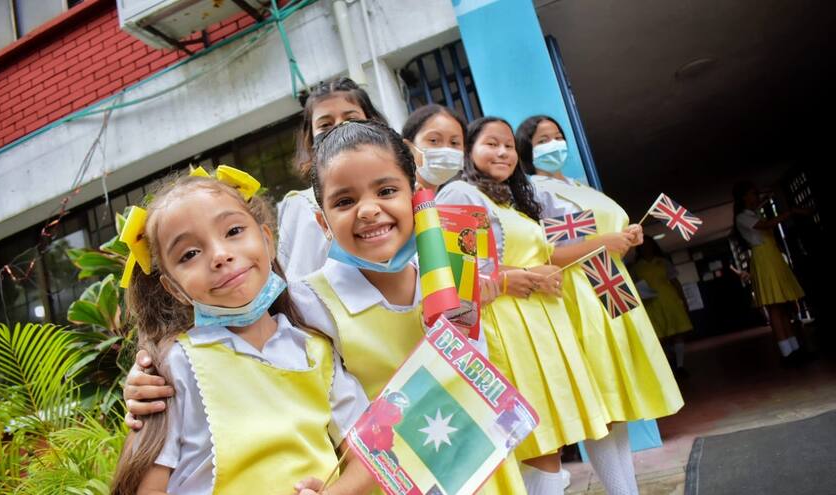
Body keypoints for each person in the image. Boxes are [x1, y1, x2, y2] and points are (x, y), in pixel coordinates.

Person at [289, 119, 528, 494]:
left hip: (479, 467)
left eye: (386, 190)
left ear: (416, 196)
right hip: (390, 480)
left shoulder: (453, 267)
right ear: (323, 222)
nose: (368, 210)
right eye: (345, 201)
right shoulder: (309, 302)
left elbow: (476, 373)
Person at [109, 168, 373, 495]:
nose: (220, 255)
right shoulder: (173, 368)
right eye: (189, 254)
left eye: (233, 230)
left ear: (267, 239)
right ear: (174, 288)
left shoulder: (316, 351)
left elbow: (369, 455)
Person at [437, 117, 611, 495]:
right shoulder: (460, 195)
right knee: (538, 446)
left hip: (541, 326)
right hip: (507, 330)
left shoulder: (513, 199)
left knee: (552, 444)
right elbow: (460, 273)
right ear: (469, 151)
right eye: (491, 144)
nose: (503, 153)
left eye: (509, 146)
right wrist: (526, 273)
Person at [517, 114, 684, 495]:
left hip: (611, 286)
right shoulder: (533, 192)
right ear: (528, 150)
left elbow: (603, 235)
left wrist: (626, 236)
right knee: (602, 400)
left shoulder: (579, 186)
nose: (554, 144)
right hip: (580, 296)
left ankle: (629, 489)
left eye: (558, 136)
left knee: (620, 395)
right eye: (543, 139)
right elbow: (549, 253)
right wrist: (604, 242)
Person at [277, 77, 387, 281]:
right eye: (325, 124)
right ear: (311, 138)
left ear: (373, 122)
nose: (340, 128)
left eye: (351, 118)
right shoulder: (302, 205)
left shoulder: (400, 184)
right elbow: (300, 282)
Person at [732, 181, 807, 362]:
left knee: (781, 307)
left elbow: (758, 208)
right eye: (752, 193)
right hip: (764, 258)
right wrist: (791, 212)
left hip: (771, 256)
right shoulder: (742, 217)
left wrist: (765, 198)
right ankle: (787, 353)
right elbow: (766, 225)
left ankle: (794, 349)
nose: (756, 196)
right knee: (774, 307)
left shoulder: (751, 213)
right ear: (744, 196)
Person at [632, 235, 693, 376]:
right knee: (659, 336)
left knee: (677, 332)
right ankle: (667, 365)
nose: (646, 248)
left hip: (668, 299)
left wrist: (683, 299)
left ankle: (680, 366)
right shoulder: (636, 268)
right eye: (643, 245)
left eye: (649, 244)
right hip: (650, 303)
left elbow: (675, 281)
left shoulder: (663, 262)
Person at [401, 104, 467, 191]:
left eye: (454, 143)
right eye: (434, 140)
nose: (446, 149)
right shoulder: (397, 198)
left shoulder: (452, 199)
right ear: (408, 148)